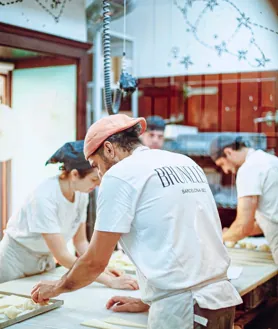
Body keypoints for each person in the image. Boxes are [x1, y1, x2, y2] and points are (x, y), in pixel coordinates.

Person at [31, 115, 242, 329]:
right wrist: (147, 299)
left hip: (185, 309)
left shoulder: (119, 175)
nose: (99, 173)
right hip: (220, 299)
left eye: (96, 164)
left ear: (109, 149)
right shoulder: (184, 162)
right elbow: (182, 237)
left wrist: (56, 287)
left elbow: (95, 261)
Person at [0, 140, 138, 290]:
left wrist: (102, 268)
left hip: (43, 263)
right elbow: (62, 255)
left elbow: (81, 243)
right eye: (94, 179)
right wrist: (108, 281)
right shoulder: (44, 197)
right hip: (13, 263)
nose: (98, 184)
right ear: (74, 174)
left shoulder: (81, 194)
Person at [209, 135, 278, 264]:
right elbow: (269, 219)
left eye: (222, 164)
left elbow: (243, 227)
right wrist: (231, 233)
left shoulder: (248, 169)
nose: (226, 170)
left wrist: (219, 238)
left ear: (228, 152)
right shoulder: (269, 160)